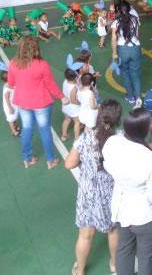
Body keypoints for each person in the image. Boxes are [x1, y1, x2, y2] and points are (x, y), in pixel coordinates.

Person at [102, 108, 152, 275]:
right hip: (144, 217)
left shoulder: (112, 142)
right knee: (146, 257)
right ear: (145, 129)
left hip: (121, 209)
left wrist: (148, 148)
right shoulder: (149, 161)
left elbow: (127, 155)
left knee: (123, 251)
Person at [65, 100, 121, 275]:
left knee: (85, 234)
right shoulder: (120, 137)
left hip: (89, 193)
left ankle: (80, 270)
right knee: (113, 231)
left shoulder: (86, 138)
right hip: (112, 192)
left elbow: (69, 163)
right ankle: (114, 265)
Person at [6, 36, 67, 169]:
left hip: (23, 102)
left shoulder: (13, 63)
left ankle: (27, 158)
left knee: (27, 130)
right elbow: (50, 84)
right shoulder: (42, 64)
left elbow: (11, 83)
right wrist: (61, 96)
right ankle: (50, 160)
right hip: (41, 103)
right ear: (36, 49)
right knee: (44, 130)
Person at [111, 0, 143, 107]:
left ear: (118, 10)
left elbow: (113, 39)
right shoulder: (136, 19)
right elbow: (138, 36)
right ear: (129, 9)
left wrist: (114, 53)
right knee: (135, 73)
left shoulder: (116, 22)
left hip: (122, 49)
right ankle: (138, 98)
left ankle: (130, 97)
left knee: (125, 73)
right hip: (135, 48)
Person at [61, 69, 81, 141]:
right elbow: (73, 100)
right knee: (77, 122)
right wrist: (80, 103)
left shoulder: (65, 81)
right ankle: (77, 139)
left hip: (66, 106)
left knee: (67, 120)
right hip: (73, 109)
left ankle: (64, 135)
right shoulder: (74, 87)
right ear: (75, 77)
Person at [1, 70, 20, 137]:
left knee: (14, 116)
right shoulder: (7, 90)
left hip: (13, 104)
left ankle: (16, 126)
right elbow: (6, 99)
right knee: (11, 118)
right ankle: (14, 131)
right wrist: (10, 108)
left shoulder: (9, 84)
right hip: (9, 106)